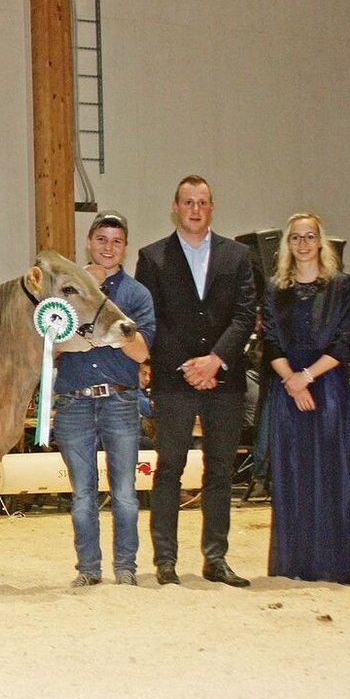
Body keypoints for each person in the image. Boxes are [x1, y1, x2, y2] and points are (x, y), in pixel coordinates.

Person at [135, 175, 256, 587]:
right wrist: (191, 364)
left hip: (225, 379)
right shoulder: (152, 258)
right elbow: (153, 320)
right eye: (188, 202)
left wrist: (216, 360)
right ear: (176, 206)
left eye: (202, 202)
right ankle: (166, 562)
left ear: (212, 206)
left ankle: (215, 559)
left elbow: (245, 315)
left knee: (220, 471)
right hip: (174, 378)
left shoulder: (238, 256)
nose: (195, 209)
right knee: (169, 468)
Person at [53, 210, 155, 586]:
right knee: (82, 495)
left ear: (125, 248)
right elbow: (51, 345)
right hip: (74, 401)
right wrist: (112, 335)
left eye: (116, 241)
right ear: (89, 243)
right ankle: (89, 570)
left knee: (125, 493)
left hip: (121, 400)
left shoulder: (137, 294)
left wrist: (91, 338)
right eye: (101, 240)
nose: (108, 247)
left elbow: (142, 352)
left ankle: (126, 569)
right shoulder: (64, 291)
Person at [262, 213, 350, 584]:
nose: (303, 244)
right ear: (288, 244)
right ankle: (294, 564)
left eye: (310, 236)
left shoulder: (341, 285)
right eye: (296, 238)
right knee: (293, 475)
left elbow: (343, 341)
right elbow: (270, 340)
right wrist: (291, 380)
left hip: (327, 387)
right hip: (289, 391)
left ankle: (332, 565)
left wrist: (307, 378)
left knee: (331, 474)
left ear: (321, 242)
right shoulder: (275, 288)